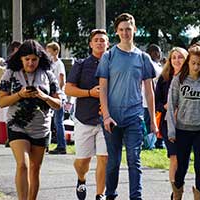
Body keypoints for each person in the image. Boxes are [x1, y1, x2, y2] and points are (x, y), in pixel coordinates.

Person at [95, 13, 157, 200]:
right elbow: (102, 88)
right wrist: (106, 115)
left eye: (128, 29)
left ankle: (135, 197)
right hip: (112, 117)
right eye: (121, 30)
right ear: (116, 32)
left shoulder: (143, 58)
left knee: (134, 160)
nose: (125, 33)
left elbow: (149, 91)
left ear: (135, 29)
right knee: (113, 161)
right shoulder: (109, 56)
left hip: (134, 117)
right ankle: (111, 194)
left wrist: (152, 119)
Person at [0, 39, 62, 200]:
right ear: (20, 58)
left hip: (41, 128)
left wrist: (44, 96)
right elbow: (1, 101)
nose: (31, 63)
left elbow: (58, 104)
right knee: (23, 165)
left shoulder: (48, 74)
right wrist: (19, 94)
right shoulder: (11, 73)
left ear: (40, 58)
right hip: (17, 126)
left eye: (34, 59)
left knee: (34, 168)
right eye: (27, 59)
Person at [166, 46, 200, 200]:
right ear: (188, 62)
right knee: (182, 166)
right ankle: (177, 194)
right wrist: (171, 130)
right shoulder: (179, 80)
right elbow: (171, 105)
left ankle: (199, 196)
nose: (196, 66)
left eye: (199, 63)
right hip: (183, 129)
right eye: (193, 63)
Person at [65, 29, 110, 200]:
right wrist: (90, 92)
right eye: (96, 40)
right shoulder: (81, 64)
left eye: (102, 40)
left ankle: (100, 194)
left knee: (104, 158)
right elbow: (68, 89)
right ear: (91, 44)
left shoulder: (113, 64)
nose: (99, 43)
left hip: (105, 120)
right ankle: (81, 179)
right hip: (84, 118)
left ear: (108, 44)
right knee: (83, 161)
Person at [154, 47, 188, 190]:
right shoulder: (164, 78)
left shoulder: (191, 77)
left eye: (180, 57)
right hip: (168, 123)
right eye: (173, 57)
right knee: (174, 156)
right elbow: (157, 103)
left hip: (188, 123)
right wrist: (166, 106)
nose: (176, 60)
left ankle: (179, 185)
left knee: (183, 158)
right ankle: (175, 191)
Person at [46, 42, 67, 155]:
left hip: (58, 96)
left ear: (55, 52)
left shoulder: (59, 64)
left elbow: (61, 78)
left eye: (49, 51)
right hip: (50, 95)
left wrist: (58, 91)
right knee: (50, 121)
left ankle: (61, 145)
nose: (47, 53)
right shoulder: (50, 64)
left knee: (58, 121)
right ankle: (46, 144)